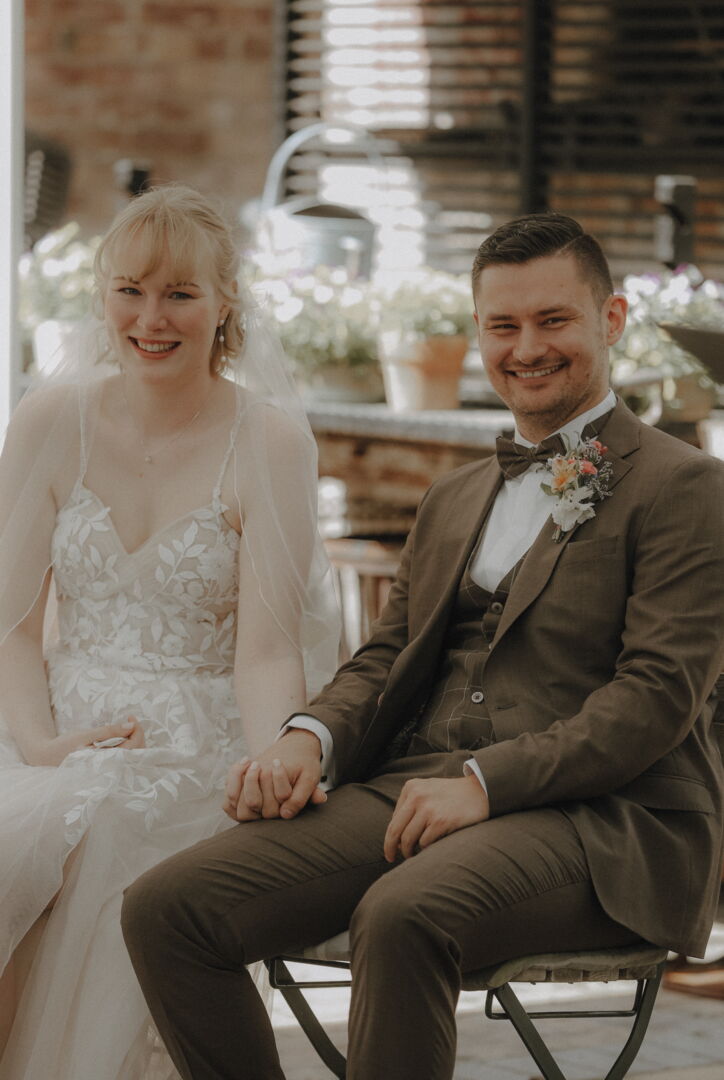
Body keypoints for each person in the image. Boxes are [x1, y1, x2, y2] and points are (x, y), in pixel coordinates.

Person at [122, 213, 724, 1080]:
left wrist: (483, 784)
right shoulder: (453, 496)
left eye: (553, 320)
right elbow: (387, 654)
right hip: (415, 789)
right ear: (478, 332)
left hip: (607, 825)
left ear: (613, 319)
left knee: (405, 913)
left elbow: (655, 698)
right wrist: (308, 738)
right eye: (503, 325)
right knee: (169, 907)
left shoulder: (687, 486)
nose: (527, 348)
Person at [0, 184, 338, 1079]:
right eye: (130, 291)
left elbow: (267, 653)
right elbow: (10, 631)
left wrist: (270, 767)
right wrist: (40, 749)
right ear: (103, 295)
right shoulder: (49, 420)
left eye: (180, 294)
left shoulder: (268, 442)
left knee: (104, 835)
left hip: (195, 749)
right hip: (45, 726)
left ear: (225, 304)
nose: (151, 320)